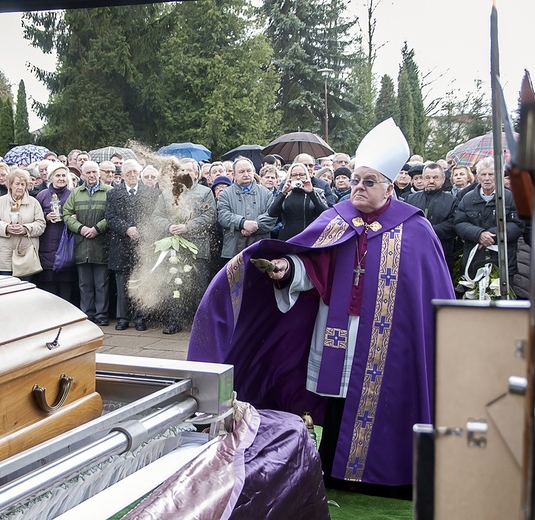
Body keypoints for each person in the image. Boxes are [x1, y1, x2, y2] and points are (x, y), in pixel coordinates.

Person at [188, 118, 455, 492]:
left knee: (389, 396)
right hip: (338, 325)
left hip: (390, 336)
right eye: (357, 180)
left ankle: (385, 475)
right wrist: (285, 267)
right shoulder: (338, 217)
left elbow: (427, 291)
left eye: (368, 182)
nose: (359, 188)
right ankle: (332, 466)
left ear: (390, 187)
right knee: (340, 395)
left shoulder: (416, 230)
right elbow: (314, 263)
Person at [153, 158, 216, 334]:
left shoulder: (205, 192)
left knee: (199, 286)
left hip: (198, 247)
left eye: (190, 170)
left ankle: (200, 324)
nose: (186, 174)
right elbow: (157, 216)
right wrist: (168, 226)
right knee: (175, 285)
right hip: (175, 248)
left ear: (196, 173)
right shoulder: (166, 194)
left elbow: (210, 217)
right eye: (182, 171)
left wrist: (189, 226)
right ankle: (174, 321)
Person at [107, 159, 159, 331]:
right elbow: (110, 217)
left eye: (134, 172)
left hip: (142, 245)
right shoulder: (113, 193)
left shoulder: (150, 193)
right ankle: (122, 318)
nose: (131, 175)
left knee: (141, 281)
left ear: (139, 173)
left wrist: (141, 230)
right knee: (122, 284)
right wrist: (126, 229)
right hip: (121, 244)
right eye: (128, 172)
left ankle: (140, 318)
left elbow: (153, 217)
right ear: (121, 175)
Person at [454, 156, 524, 282]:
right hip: (475, 260)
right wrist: (478, 234)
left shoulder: (511, 197)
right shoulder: (467, 198)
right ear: (477, 177)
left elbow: (518, 224)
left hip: (503, 260)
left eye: (491, 174)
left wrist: (492, 235)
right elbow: (459, 222)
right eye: (483, 174)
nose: (487, 178)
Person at [63, 160, 112, 326]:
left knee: (101, 283)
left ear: (99, 173)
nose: (91, 175)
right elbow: (67, 214)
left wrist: (97, 228)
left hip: (101, 244)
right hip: (81, 244)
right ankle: (87, 315)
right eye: (88, 172)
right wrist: (81, 228)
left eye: (94, 172)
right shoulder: (76, 193)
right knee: (85, 284)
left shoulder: (109, 191)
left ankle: (102, 315)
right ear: (82, 175)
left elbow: (112, 214)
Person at [217, 157, 277, 266]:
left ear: (254, 172)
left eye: (249, 171)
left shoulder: (266, 194)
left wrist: (255, 226)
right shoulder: (225, 194)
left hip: (260, 248)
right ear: (234, 174)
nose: (246, 174)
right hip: (233, 250)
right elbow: (223, 216)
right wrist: (242, 223)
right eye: (241, 171)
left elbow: (271, 217)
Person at [0, 169, 46, 278]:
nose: (20, 187)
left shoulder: (34, 203)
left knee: (26, 290)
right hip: (6, 253)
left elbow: (41, 224)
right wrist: (6, 228)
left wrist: (26, 228)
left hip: (27, 254)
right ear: (10, 185)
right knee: (7, 290)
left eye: (23, 184)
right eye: (17, 184)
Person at [36, 162, 76, 302]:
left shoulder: (73, 194)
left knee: (66, 284)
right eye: (57, 175)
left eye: (64, 175)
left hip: (66, 244)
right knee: (49, 286)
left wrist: (73, 218)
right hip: (47, 245)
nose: (61, 178)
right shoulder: (42, 195)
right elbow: (35, 217)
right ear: (51, 177)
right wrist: (46, 217)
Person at [405, 162, 458, 268]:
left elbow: (453, 224)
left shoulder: (452, 201)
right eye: (427, 177)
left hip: (441, 251)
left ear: (443, 179)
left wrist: (429, 230)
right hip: (415, 251)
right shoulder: (410, 199)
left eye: (435, 177)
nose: (431, 181)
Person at [267, 162, 327, 241]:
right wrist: (283, 193)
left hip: (310, 237)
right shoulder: (284, 193)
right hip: (287, 239)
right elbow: (272, 213)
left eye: (301, 174)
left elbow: (324, 213)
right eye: (294, 175)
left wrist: (311, 193)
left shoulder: (317, 192)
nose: (298, 178)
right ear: (289, 177)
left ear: (306, 176)